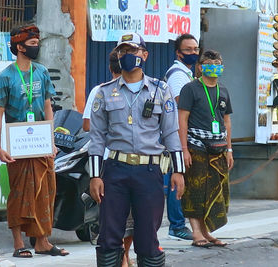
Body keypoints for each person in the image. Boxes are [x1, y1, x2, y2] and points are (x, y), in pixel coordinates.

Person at [88, 32, 185, 267]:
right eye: (123, 52)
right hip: (115, 170)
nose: (128, 56)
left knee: (147, 238)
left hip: (149, 171)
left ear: (145, 54)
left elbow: (171, 132)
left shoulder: (160, 91)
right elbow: (97, 137)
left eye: (133, 51)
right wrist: (94, 176)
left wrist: (178, 170)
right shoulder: (104, 92)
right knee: (109, 236)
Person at [0, 25, 69, 258]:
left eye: (38, 44)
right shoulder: (6, 76)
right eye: (33, 44)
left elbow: (48, 106)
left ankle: (43, 241)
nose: (37, 48)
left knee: (47, 189)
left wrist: (51, 140)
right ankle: (18, 243)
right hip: (17, 143)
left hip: (40, 141)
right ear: (19, 47)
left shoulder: (42, 72)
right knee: (19, 193)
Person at [83, 49, 134, 267]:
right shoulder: (104, 91)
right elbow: (88, 124)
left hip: (118, 161)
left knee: (123, 213)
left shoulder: (100, 90)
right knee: (121, 213)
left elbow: (86, 124)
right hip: (113, 161)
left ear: (109, 67)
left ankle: (124, 255)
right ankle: (122, 255)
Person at [178, 50, 234, 248]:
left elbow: (226, 121)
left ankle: (207, 231)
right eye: (209, 62)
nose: (213, 65)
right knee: (195, 189)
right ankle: (196, 233)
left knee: (215, 189)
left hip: (218, 147)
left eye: (217, 62)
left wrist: (229, 149)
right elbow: (182, 120)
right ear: (201, 66)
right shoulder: (190, 89)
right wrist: (184, 149)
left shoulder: (223, 91)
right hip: (196, 146)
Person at [162, 33, 200, 241]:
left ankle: (179, 224)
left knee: (179, 179)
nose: (193, 53)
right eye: (188, 50)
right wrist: (181, 145)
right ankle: (176, 225)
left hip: (181, 136)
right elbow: (180, 109)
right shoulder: (178, 75)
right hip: (176, 135)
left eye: (196, 49)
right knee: (177, 178)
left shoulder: (187, 74)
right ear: (178, 53)